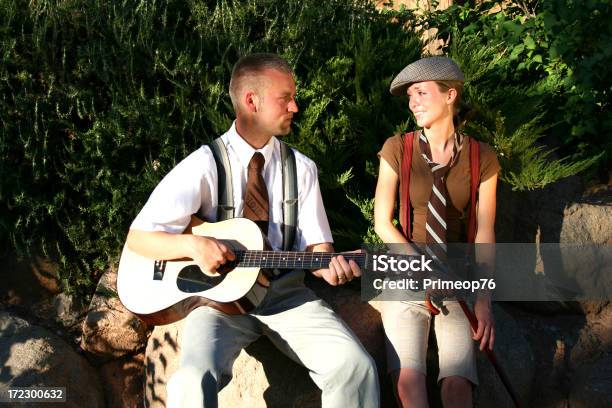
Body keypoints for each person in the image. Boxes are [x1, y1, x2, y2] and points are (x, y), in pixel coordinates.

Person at [126, 53, 379, 407]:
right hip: (218, 305)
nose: (295, 105)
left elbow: (318, 250)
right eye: (285, 97)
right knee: (191, 379)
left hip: (286, 298)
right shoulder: (204, 164)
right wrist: (195, 247)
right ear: (251, 101)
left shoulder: (302, 168)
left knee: (356, 367)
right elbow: (139, 238)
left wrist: (331, 266)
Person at [373, 56, 499, 407]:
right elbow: (383, 222)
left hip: (456, 280)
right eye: (410, 95)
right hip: (406, 274)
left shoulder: (482, 157)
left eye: (422, 92)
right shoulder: (397, 148)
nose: (414, 102)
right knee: (409, 382)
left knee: (457, 385)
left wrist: (485, 303)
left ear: (450, 95)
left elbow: (485, 234)